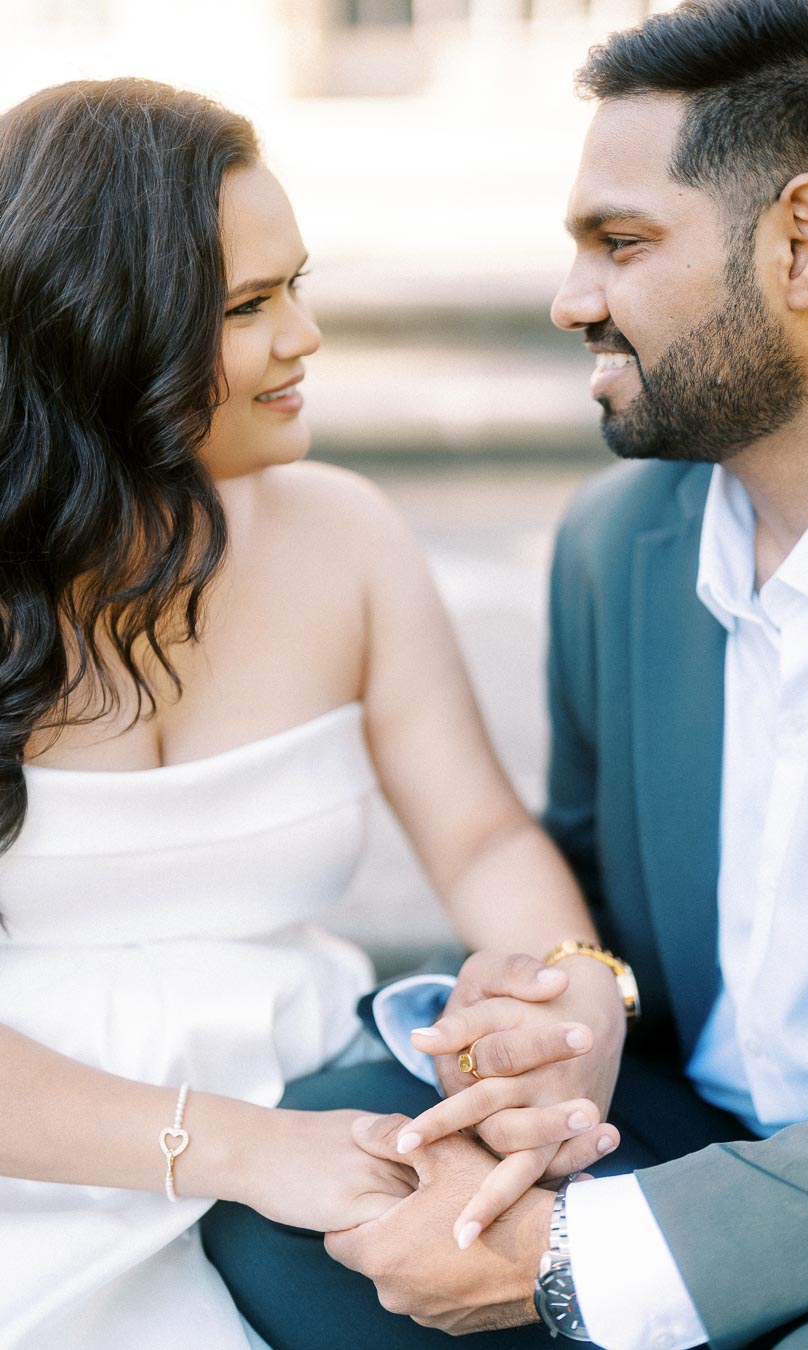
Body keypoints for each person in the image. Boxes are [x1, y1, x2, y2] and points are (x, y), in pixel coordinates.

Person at [207, 1, 808, 1347]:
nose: (570, 298)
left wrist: (597, 1254)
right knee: (298, 1200)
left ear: (806, 243)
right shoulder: (613, 546)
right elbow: (588, 892)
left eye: (621, 244)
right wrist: (547, 1023)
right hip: (668, 1129)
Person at [0, 78, 628, 1349]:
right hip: (51, 1158)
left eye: (298, 283)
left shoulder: (346, 535)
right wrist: (239, 1149)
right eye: (247, 307)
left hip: (329, 1109)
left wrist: (574, 1010)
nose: (307, 336)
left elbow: (483, 840)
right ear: (94, 337)